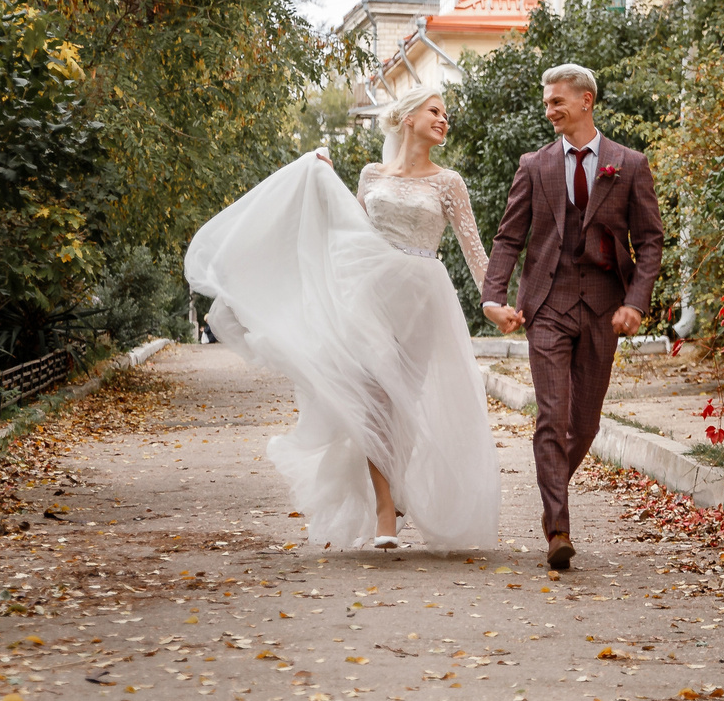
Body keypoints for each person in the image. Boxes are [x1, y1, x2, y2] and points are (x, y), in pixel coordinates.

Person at [182, 88, 499, 552]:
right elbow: (352, 229)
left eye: (446, 114)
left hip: (423, 298)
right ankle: (384, 509)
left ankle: (398, 487)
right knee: (372, 396)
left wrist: (496, 301)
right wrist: (323, 181)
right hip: (372, 291)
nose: (443, 119)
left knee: (404, 400)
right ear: (408, 118)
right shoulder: (372, 175)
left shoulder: (449, 182)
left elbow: (476, 253)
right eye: (435, 111)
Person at [480, 63, 665, 571]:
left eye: (557, 101)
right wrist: (493, 297)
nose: (549, 110)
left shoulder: (629, 164)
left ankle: (554, 488)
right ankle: (557, 527)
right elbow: (508, 239)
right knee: (552, 415)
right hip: (547, 306)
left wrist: (636, 302)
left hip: (605, 309)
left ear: (586, 101)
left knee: (584, 422)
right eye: (546, 102)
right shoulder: (534, 166)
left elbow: (649, 242)